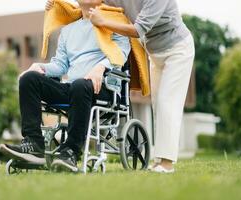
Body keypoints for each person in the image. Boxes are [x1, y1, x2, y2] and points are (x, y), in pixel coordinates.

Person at [47, 0, 195, 173]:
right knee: (158, 106)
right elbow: (89, 6)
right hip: (154, 53)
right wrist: (58, 6)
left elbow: (138, 30)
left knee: (167, 103)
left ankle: (167, 163)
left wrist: (103, 22)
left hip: (177, 48)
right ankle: (158, 161)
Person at [0, 0, 131, 172]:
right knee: (29, 79)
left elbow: (121, 52)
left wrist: (101, 67)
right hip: (74, 88)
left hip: (104, 88)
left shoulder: (114, 21)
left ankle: (70, 151)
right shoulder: (68, 30)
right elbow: (60, 65)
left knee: (80, 85)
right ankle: (34, 144)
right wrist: (40, 67)